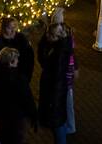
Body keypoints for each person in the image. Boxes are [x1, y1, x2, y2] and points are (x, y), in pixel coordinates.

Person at [37, 11, 75, 144]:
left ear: (57, 37)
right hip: (56, 93)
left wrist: (51, 102)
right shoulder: (62, 45)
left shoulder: (57, 55)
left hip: (54, 95)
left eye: (50, 35)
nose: (47, 37)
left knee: (57, 125)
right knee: (60, 121)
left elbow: (44, 62)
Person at [0, 47, 38, 143]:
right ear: (11, 62)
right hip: (17, 119)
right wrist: (34, 116)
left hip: (1, 119)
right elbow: (27, 99)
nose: (18, 61)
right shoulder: (19, 79)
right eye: (16, 59)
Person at [0, 18, 34, 83]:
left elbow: (30, 57)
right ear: (3, 29)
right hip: (4, 81)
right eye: (9, 28)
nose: (13, 30)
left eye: (14, 27)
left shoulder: (21, 38)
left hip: (21, 78)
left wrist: (26, 76)